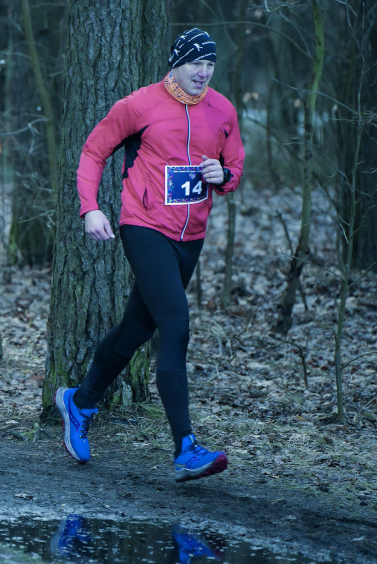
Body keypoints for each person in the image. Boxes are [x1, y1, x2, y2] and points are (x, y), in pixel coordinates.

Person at [55, 28, 244, 483]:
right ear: (176, 62)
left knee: (137, 327)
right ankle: (185, 447)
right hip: (144, 227)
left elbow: (234, 166)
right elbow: (93, 152)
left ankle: (78, 403)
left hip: (190, 236)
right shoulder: (138, 105)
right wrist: (90, 208)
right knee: (175, 325)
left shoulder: (223, 111)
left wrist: (223, 175)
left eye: (209, 64)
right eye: (195, 62)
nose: (203, 71)